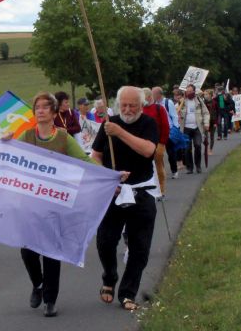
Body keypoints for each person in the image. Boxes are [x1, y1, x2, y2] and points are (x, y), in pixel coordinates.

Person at [15, 92, 92, 317]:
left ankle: (50, 299)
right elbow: (10, 155)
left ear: (53, 112)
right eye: (37, 107)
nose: (40, 110)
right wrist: (3, 143)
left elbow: (84, 161)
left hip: (55, 202)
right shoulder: (26, 136)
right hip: (30, 202)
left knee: (51, 251)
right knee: (28, 251)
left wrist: (111, 175)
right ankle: (37, 284)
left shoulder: (63, 138)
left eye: (45, 107)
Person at [92, 86, 159, 312]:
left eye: (133, 105)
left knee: (140, 248)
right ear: (118, 104)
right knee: (105, 241)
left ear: (142, 105)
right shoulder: (108, 124)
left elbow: (148, 150)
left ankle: (128, 292)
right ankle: (109, 276)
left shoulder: (148, 124)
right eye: (124, 106)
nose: (128, 110)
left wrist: (120, 132)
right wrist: (107, 177)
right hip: (114, 191)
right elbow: (96, 156)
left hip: (141, 190)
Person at [145, 87, 171, 197]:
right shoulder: (140, 110)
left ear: (149, 97)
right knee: (147, 167)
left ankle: (161, 190)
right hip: (144, 143)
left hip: (158, 143)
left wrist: (162, 143)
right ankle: (149, 189)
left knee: (158, 165)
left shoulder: (159, 109)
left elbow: (165, 126)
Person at [178, 84, 209, 174]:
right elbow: (176, 113)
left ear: (194, 92)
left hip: (197, 128)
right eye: (187, 91)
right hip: (186, 128)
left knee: (198, 146)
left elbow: (206, 113)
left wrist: (206, 123)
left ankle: (198, 166)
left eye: (191, 91)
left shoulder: (199, 101)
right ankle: (189, 167)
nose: (189, 93)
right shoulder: (182, 102)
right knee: (187, 149)